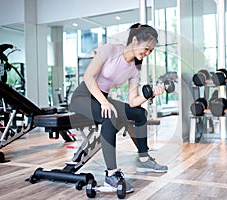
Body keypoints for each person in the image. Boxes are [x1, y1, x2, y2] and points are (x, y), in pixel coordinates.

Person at [69, 23, 168, 193]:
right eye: (146, 48)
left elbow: (133, 101)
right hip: (83, 96)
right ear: (135, 40)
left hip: (102, 98)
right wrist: (104, 102)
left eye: (151, 51)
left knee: (139, 113)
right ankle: (111, 174)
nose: (147, 53)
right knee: (109, 115)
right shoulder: (110, 50)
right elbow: (88, 76)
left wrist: (150, 94)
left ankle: (143, 159)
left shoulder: (136, 67)